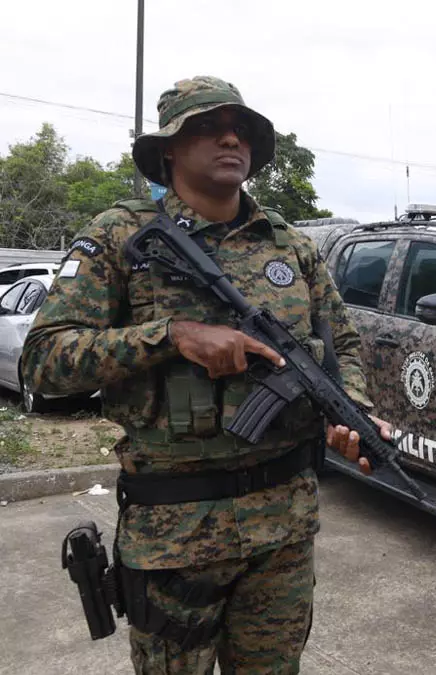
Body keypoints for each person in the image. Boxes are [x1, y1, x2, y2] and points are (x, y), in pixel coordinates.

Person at [21, 76, 382, 674]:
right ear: (169, 149)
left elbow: (342, 345)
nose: (230, 139)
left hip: (283, 529)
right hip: (174, 534)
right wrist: (171, 336)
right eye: (208, 128)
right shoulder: (118, 235)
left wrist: (354, 410)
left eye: (241, 129)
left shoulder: (291, 246)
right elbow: (44, 359)